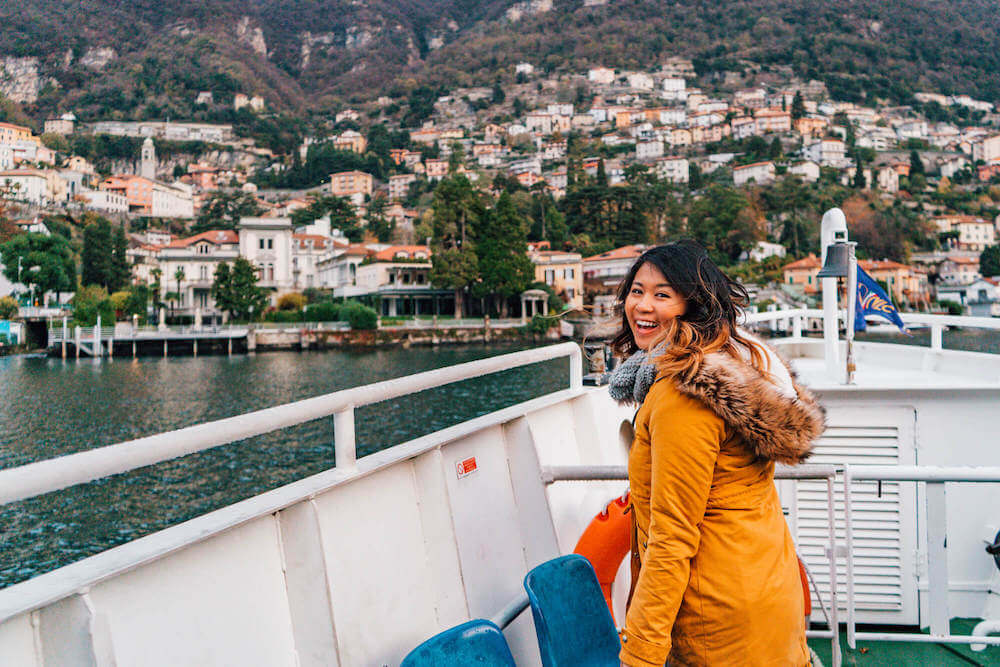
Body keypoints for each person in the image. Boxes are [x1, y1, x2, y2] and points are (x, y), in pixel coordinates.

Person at [607, 241, 825, 667]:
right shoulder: (740, 365)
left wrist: (641, 654)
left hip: (718, 614)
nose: (642, 306)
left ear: (695, 304)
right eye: (637, 290)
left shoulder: (682, 397)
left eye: (662, 294)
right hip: (763, 587)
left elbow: (673, 537)